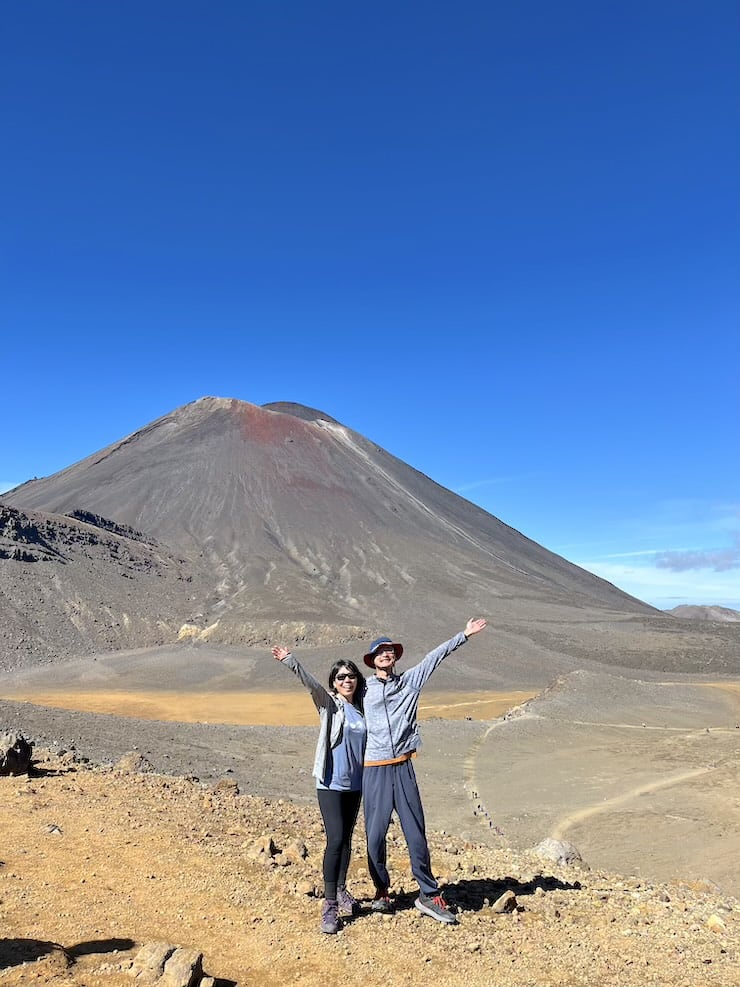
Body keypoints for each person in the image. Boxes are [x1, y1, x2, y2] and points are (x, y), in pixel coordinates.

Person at [361, 616, 487, 925]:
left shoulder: (410, 681)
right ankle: (381, 892)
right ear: (372, 660)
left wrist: (464, 635)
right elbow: (333, 696)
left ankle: (429, 895)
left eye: (390, 651)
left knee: (415, 833)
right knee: (375, 836)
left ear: (395, 657)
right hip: (374, 769)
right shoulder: (362, 689)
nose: (385, 655)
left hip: (403, 767)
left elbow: (435, 657)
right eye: (380, 652)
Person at [271, 645, 367, 934]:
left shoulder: (362, 710)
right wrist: (291, 661)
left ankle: (341, 889)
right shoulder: (330, 704)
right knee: (335, 839)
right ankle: (329, 905)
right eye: (340, 677)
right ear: (333, 683)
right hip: (330, 783)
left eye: (351, 676)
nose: (346, 681)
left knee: (347, 840)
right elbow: (311, 684)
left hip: (355, 784)